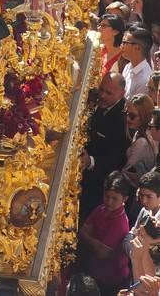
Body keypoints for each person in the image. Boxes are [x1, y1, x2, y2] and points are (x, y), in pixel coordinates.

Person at [80, 73, 131, 223]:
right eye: (101, 89)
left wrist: (90, 161)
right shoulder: (97, 101)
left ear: (122, 94)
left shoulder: (123, 120)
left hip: (98, 186)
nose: (102, 95)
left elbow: (117, 159)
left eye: (109, 93)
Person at [78, 171, 131, 296]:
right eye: (107, 196)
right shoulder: (100, 209)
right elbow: (82, 232)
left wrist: (89, 239)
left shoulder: (120, 222)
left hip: (111, 280)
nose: (109, 202)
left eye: (114, 198)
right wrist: (96, 244)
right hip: (93, 271)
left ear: (125, 199)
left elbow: (102, 253)